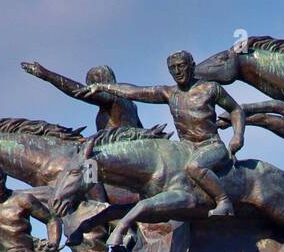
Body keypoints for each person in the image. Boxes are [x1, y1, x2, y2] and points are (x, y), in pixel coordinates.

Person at [79, 50, 245, 216]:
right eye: (173, 68)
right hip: (186, 148)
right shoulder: (169, 93)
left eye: (181, 66)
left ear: (192, 66)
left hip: (210, 145)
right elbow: (135, 91)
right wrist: (103, 86)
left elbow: (235, 109)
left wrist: (238, 135)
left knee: (194, 166)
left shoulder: (211, 88)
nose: (177, 71)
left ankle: (224, 201)